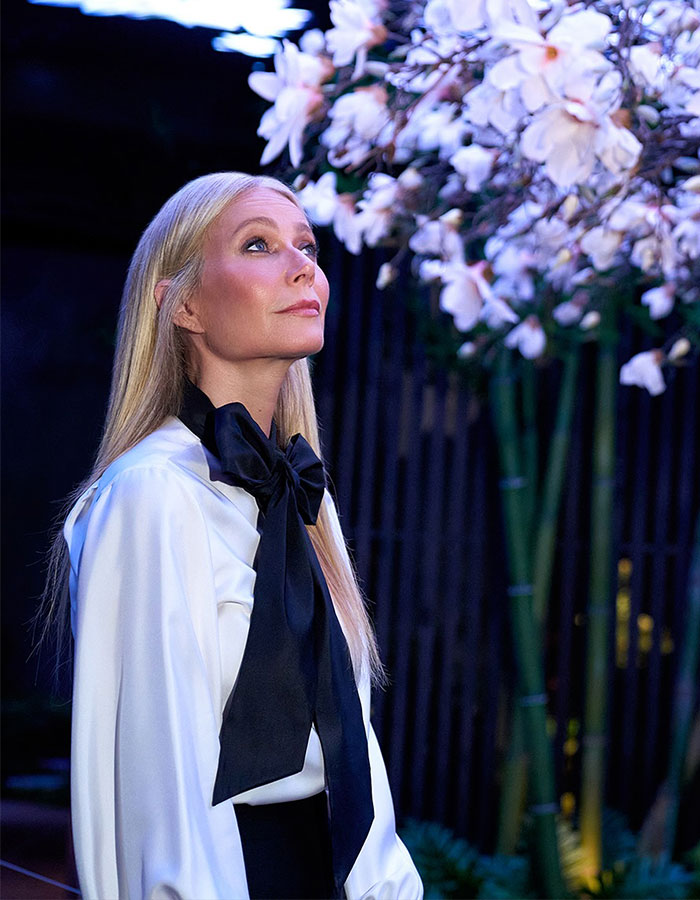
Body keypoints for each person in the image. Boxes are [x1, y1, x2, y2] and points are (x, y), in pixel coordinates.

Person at [43, 171, 423, 900]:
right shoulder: (152, 492)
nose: (302, 266)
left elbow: (347, 744)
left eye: (307, 247)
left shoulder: (306, 497)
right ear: (181, 302)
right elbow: (159, 784)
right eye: (259, 244)